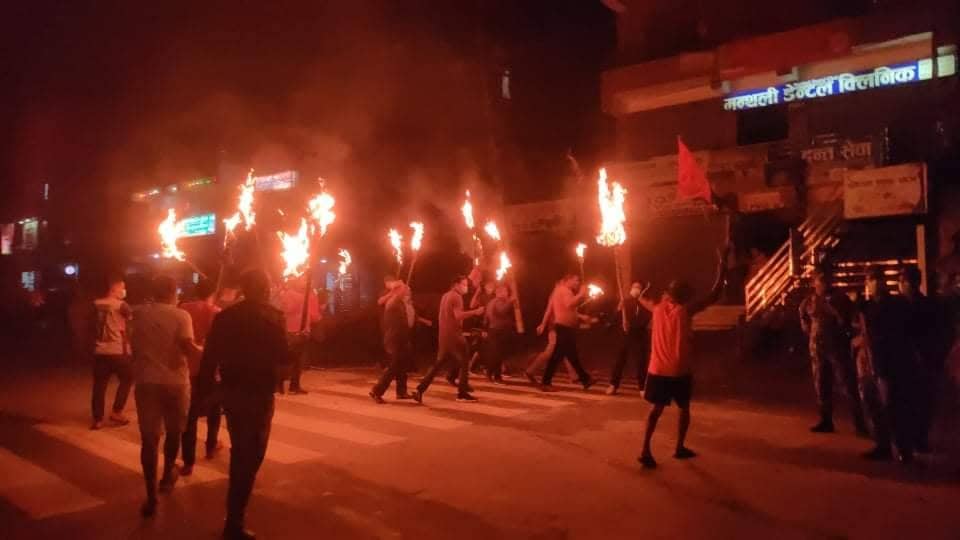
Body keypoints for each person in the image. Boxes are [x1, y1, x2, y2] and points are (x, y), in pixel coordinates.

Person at [198, 270, 288, 540]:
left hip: (232, 390)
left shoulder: (225, 317)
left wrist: (205, 390)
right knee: (251, 454)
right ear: (264, 289)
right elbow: (283, 356)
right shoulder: (274, 317)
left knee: (242, 450)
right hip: (258, 393)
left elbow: (210, 355)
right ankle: (234, 520)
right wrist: (298, 342)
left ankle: (235, 516)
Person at [637, 246, 728, 469]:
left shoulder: (657, 308)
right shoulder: (686, 310)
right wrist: (722, 264)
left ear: (669, 293)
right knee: (684, 408)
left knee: (655, 410)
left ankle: (645, 450)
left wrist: (638, 292)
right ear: (685, 296)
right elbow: (715, 293)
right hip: (679, 370)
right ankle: (679, 447)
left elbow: (642, 300)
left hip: (657, 369)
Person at [129, 276, 200, 518]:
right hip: (175, 382)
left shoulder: (138, 313)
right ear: (173, 292)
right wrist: (205, 353)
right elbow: (187, 347)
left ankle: (151, 498)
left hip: (146, 382)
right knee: (174, 432)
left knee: (149, 440)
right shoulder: (181, 316)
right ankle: (168, 475)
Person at [799, 272, 868, 435]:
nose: (824, 284)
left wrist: (846, 329)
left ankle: (860, 424)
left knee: (848, 385)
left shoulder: (840, 299)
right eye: (820, 281)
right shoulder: (809, 301)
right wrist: (808, 329)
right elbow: (803, 316)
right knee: (821, 385)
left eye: (826, 281)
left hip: (837, 348)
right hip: (818, 349)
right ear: (815, 283)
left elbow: (852, 319)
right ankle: (826, 421)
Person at [895, 266, 943, 462]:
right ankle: (913, 441)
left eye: (902, 281)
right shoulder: (921, 305)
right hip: (912, 361)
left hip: (916, 361)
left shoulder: (913, 306)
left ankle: (915, 441)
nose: (900, 285)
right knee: (913, 403)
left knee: (916, 403)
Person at [413, 275, 484, 403]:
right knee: (465, 362)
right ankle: (462, 393)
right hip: (454, 335)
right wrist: (475, 312)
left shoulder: (446, 295)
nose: (466, 287)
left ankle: (419, 390)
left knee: (438, 364)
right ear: (456, 285)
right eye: (464, 285)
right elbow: (458, 316)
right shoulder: (457, 297)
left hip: (444, 335)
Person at [178, 279, 223, 473]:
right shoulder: (217, 312)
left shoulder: (183, 309)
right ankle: (211, 446)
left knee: (189, 415)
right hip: (209, 368)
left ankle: (188, 462)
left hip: (187, 366)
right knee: (214, 409)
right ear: (213, 292)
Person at [852, 267, 897, 460]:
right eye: (871, 279)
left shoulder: (893, 305)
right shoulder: (866, 306)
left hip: (886, 362)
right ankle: (882, 444)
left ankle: (901, 445)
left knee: (889, 405)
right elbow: (857, 327)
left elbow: (889, 332)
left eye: (878, 279)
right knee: (871, 403)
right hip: (868, 362)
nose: (875, 283)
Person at [534, 274, 595, 392]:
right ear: (568, 280)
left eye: (579, 281)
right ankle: (545, 382)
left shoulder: (559, 291)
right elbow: (569, 304)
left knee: (572, 355)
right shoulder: (565, 290)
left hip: (565, 327)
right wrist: (581, 294)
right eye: (576, 280)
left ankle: (585, 379)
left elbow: (568, 309)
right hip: (564, 328)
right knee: (557, 356)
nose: (578, 283)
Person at [91, 273, 134, 430]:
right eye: (122, 287)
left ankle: (97, 420)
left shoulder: (95, 304)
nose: (124, 290)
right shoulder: (121, 305)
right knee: (128, 378)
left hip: (99, 350)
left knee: (99, 385)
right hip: (118, 350)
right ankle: (117, 412)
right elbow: (131, 320)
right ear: (114, 289)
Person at [370, 281, 417, 403]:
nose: (406, 291)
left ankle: (401, 392)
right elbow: (402, 323)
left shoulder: (399, 302)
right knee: (394, 366)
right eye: (403, 289)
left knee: (402, 365)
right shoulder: (394, 303)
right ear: (397, 290)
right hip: (395, 339)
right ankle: (376, 391)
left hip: (401, 338)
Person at [274, 275, 320, 394]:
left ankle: (291, 386)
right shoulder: (292, 294)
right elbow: (288, 309)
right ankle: (282, 385)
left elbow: (312, 315)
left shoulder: (306, 295)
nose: (307, 282)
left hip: (301, 330)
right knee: (289, 359)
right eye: (304, 280)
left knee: (296, 360)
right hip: (294, 331)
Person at [606, 281, 652, 395]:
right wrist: (619, 310)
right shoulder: (625, 302)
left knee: (641, 361)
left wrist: (632, 324)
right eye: (634, 287)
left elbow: (646, 318)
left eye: (639, 287)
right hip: (625, 336)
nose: (636, 289)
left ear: (642, 290)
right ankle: (613, 385)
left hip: (639, 335)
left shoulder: (645, 303)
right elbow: (614, 319)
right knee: (620, 360)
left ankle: (642, 387)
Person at [483, 283, 517, 383]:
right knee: (496, 354)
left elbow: (486, 318)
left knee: (498, 354)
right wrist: (510, 302)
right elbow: (501, 311)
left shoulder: (493, 302)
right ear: (498, 292)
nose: (507, 293)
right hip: (497, 331)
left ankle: (495, 375)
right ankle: (492, 374)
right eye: (504, 291)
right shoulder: (496, 302)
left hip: (497, 330)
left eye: (506, 291)